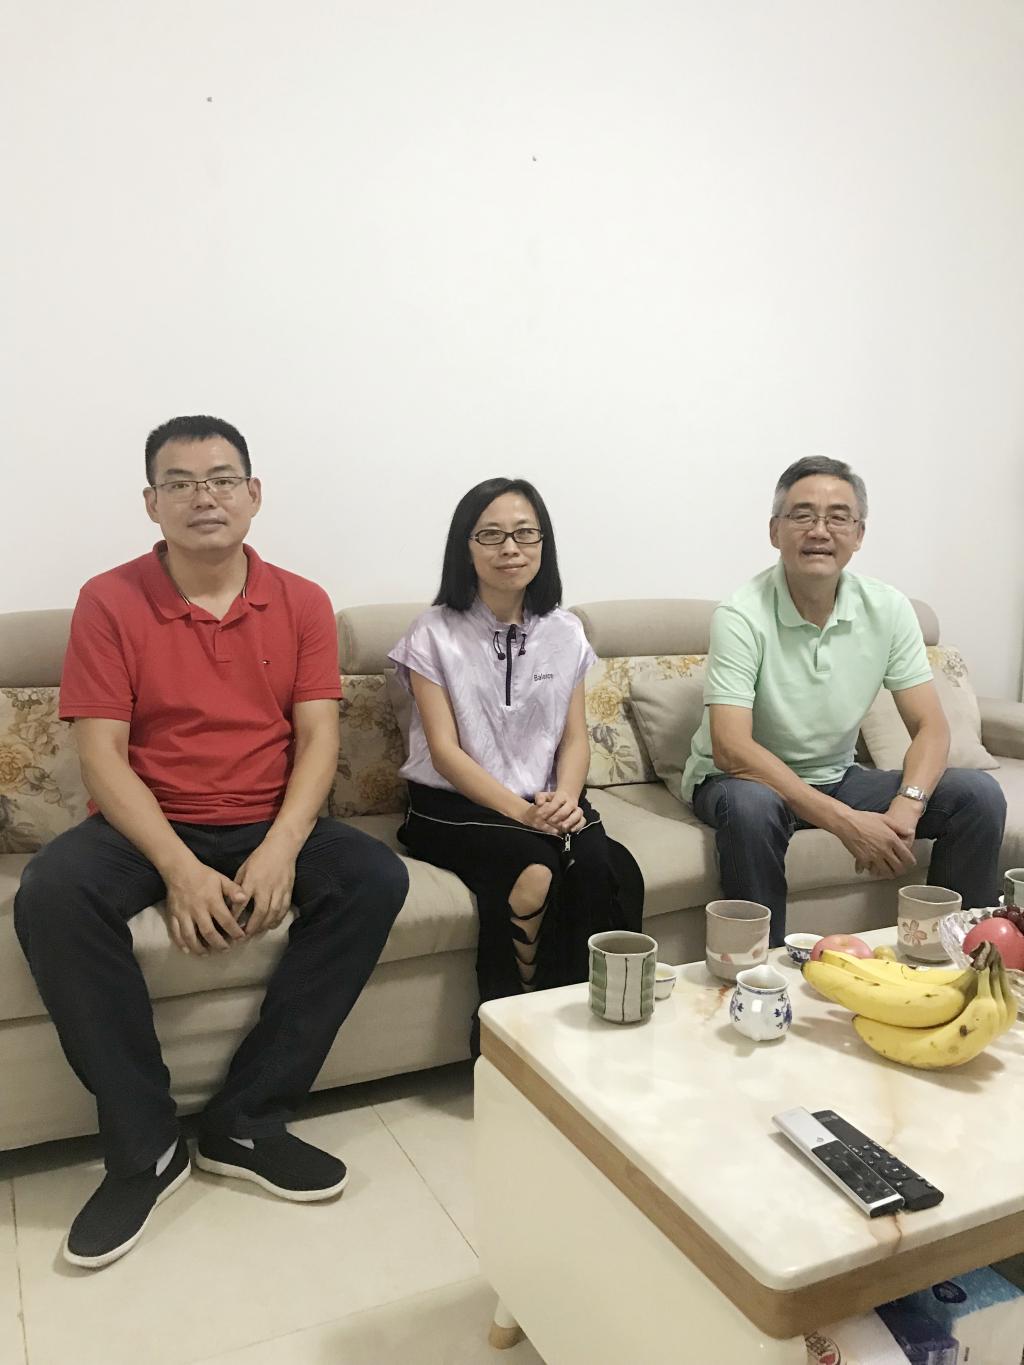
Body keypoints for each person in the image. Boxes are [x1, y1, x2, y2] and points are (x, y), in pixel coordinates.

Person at [14, 415, 409, 1269]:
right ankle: (145, 1145)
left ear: (253, 494)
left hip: (268, 815)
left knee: (374, 876)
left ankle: (247, 1120)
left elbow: (319, 740)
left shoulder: (301, 600)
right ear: (151, 502)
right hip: (147, 822)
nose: (205, 497)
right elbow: (102, 755)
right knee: (50, 893)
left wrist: (282, 846)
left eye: (223, 479)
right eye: (182, 482)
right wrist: (178, 867)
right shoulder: (109, 600)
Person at [682, 455, 1006, 945]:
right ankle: (759, 971)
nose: (820, 531)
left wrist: (907, 807)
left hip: (837, 775)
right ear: (774, 531)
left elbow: (931, 727)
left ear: (858, 534)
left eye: (838, 517)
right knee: (750, 807)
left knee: (977, 796)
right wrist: (847, 823)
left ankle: (954, 953)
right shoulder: (741, 614)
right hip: (742, 780)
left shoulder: (887, 608)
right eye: (802, 515)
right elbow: (731, 748)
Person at [388, 477, 643, 1045]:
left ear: (543, 543)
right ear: (466, 547)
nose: (511, 548)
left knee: (605, 868)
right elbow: (445, 753)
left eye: (526, 534)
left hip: (547, 800)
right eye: (491, 535)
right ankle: (512, 1031)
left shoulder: (565, 631)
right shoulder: (433, 632)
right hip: (453, 804)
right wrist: (523, 814)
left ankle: (593, 1027)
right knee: (535, 868)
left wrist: (566, 800)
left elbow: (574, 740)